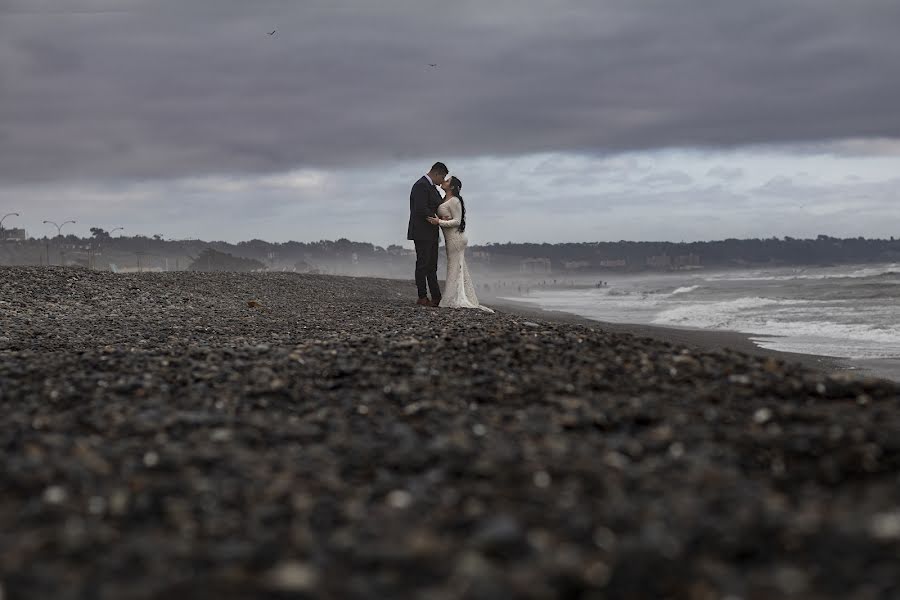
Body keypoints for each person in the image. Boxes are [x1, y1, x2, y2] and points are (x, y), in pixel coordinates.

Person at [427, 176, 493, 312]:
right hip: (451, 238)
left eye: (447, 181)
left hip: (456, 238)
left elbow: (457, 221)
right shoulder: (444, 199)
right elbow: (445, 215)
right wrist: (441, 219)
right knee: (457, 267)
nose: (444, 181)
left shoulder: (455, 201)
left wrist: (439, 222)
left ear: (451, 187)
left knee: (454, 267)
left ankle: (453, 298)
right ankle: (458, 296)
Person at [407, 162, 448, 306]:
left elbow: (439, 204)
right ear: (436, 173)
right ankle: (422, 297)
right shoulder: (421, 185)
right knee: (422, 264)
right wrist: (435, 218)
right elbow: (420, 208)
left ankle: (436, 297)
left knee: (432, 266)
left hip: (432, 232)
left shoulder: (432, 187)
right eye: (442, 177)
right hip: (421, 231)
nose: (442, 181)